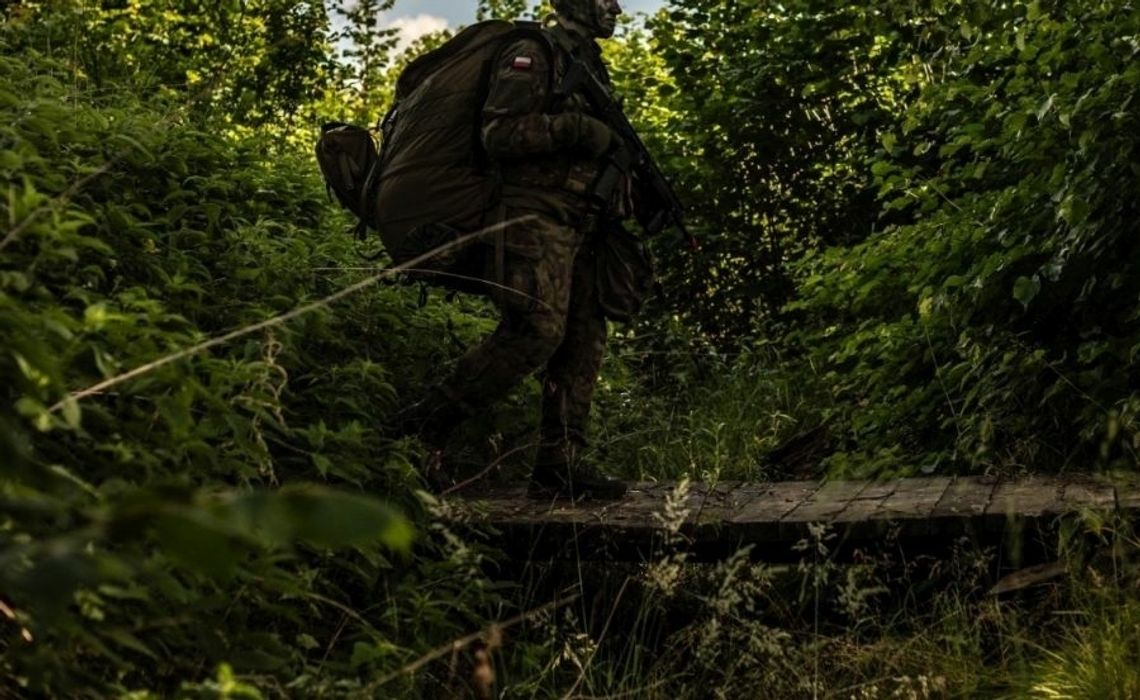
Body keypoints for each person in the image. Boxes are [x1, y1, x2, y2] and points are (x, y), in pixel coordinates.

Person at [396, 0, 631, 501]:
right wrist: (577, 130)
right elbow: (498, 133)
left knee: (584, 334)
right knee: (535, 331)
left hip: (581, 221)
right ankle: (418, 432)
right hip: (532, 217)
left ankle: (559, 465)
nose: (614, 7)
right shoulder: (533, 52)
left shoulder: (589, 63)